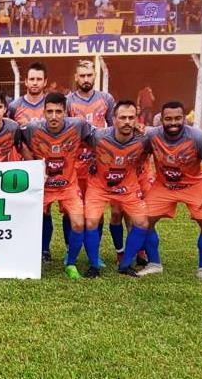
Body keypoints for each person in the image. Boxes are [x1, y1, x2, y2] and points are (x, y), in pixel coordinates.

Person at [127, 101, 202, 283]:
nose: (173, 123)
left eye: (178, 118)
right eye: (168, 119)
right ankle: (154, 264)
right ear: (161, 119)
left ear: (184, 118)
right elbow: (137, 147)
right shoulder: (152, 135)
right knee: (143, 221)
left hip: (194, 184)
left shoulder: (198, 137)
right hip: (164, 185)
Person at [20, 93, 95, 277]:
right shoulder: (31, 128)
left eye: (58, 112)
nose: (54, 116)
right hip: (42, 187)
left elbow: (100, 138)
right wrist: (32, 163)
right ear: (43, 112)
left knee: (78, 224)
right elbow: (17, 139)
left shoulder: (78, 125)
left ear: (66, 112)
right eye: (50, 112)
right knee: (33, 220)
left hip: (68, 187)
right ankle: (38, 253)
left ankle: (70, 262)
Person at [81, 101, 151, 278]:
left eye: (131, 118)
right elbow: (76, 133)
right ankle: (94, 265)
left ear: (137, 119)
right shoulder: (98, 136)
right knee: (90, 222)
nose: (127, 122)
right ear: (113, 119)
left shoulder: (144, 138)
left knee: (142, 223)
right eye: (122, 118)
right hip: (99, 186)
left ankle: (126, 264)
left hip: (128, 186)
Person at [66, 60, 118, 262]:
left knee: (96, 210)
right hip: (75, 164)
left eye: (89, 75)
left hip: (98, 164)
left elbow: (113, 128)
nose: (86, 79)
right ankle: (71, 250)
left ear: (94, 76)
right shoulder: (68, 101)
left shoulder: (106, 99)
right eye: (82, 75)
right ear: (76, 77)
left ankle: (93, 253)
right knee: (71, 210)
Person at [8, 62, 47, 127]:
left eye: (39, 79)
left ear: (45, 82)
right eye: (32, 79)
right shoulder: (14, 106)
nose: (35, 83)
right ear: (26, 81)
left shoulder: (51, 105)